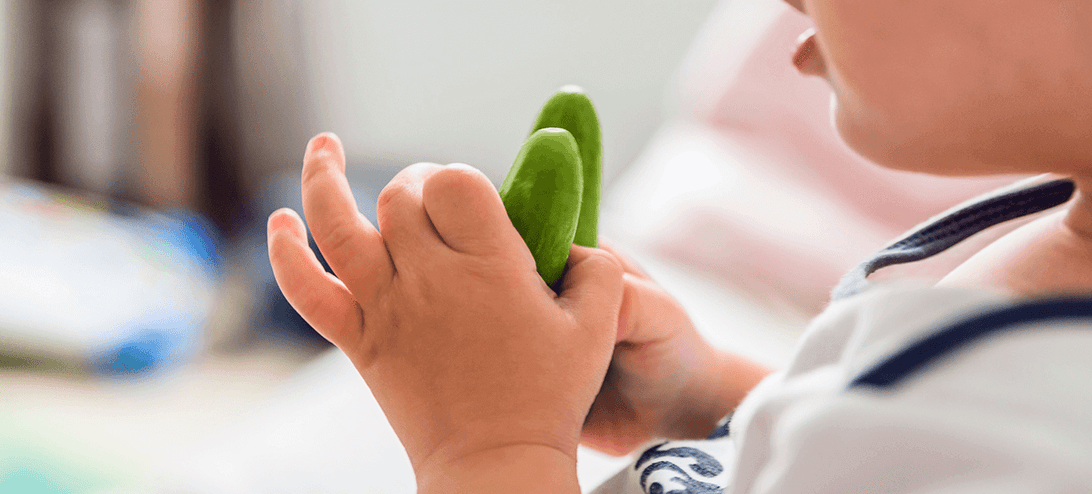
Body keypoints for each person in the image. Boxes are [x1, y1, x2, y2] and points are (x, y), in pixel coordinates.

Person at [265, 0, 1092, 491]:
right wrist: (704, 395)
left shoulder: (1051, 421)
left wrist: (485, 444)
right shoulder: (1051, 238)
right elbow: (890, 449)